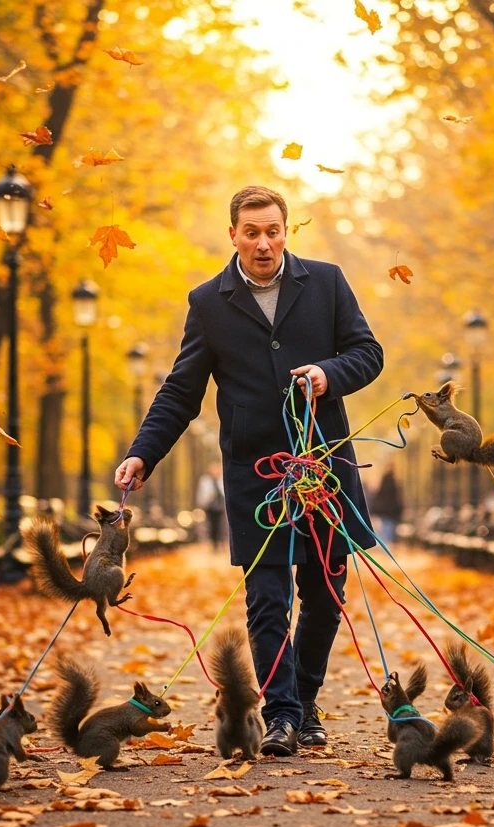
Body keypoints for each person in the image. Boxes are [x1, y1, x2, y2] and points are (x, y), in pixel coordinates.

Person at [115, 185, 383, 757]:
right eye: (252, 232)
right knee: (266, 598)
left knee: (326, 592)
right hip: (254, 475)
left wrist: (328, 375)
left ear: (287, 232)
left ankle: (305, 699)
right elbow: (180, 391)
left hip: (322, 468)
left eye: (273, 231)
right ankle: (282, 714)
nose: (264, 243)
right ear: (233, 234)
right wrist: (143, 452)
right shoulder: (209, 302)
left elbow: (368, 352)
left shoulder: (328, 282)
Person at [370, 462, 404, 545]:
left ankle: (386, 542)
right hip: (391, 510)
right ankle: (388, 542)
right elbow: (397, 497)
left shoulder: (386, 480)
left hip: (386, 509)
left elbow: (380, 494)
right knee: (389, 526)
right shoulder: (394, 482)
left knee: (386, 525)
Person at [195, 462, 227, 551]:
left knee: (222, 526)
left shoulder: (222, 479)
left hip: (221, 507)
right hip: (210, 507)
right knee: (212, 525)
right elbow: (201, 493)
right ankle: (214, 544)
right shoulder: (205, 480)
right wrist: (201, 503)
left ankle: (222, 543)